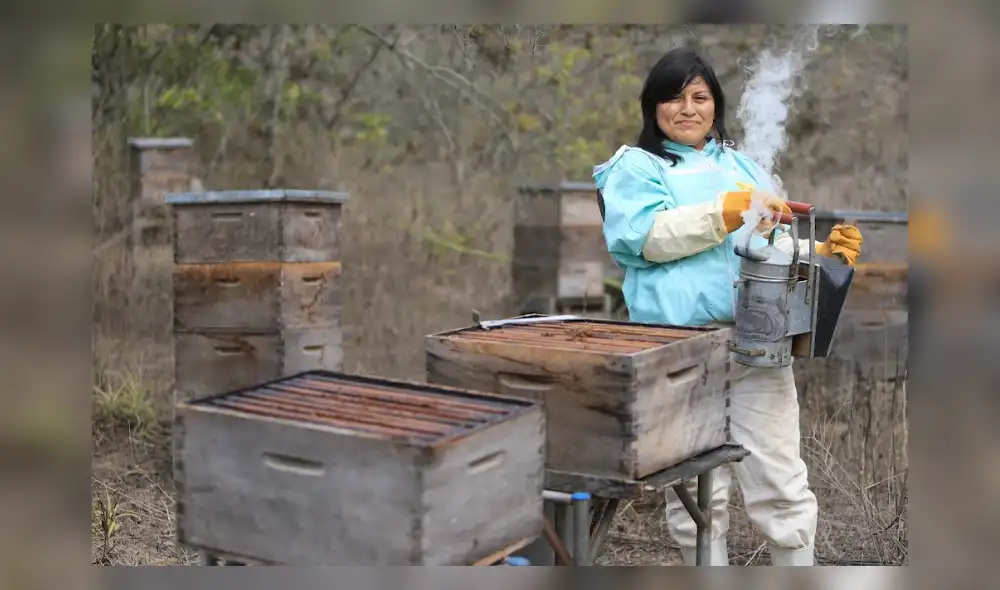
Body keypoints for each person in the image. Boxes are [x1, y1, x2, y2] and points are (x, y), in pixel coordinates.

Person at [592, 47, 863, 566]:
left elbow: (767, 247)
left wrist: (819, 251)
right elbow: (645, 237)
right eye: (674, 98)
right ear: (652, 106)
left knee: (781, 478)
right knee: (695, 489)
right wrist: (722, 214)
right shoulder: (636, 166)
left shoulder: (740, 165)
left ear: (716, 104)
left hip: (756, 339)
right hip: (678, 348)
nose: (687, 108)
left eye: (699, 97)